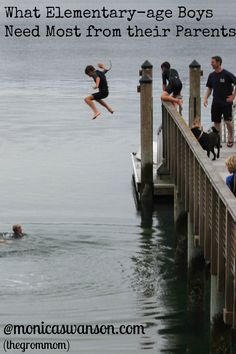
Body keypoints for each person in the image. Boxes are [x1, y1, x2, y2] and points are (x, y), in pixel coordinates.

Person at [204, 56, 236, 148]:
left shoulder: (227, 74)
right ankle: (217, 141)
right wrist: (205, 98)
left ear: (218, 63)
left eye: (213, 62)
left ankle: (230, 138)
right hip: (216, 103)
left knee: (228, 122)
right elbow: (210, 88)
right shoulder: (211, 75)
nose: (211, 64)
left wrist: (233, 96)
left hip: (226, 103)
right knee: (216, 122)